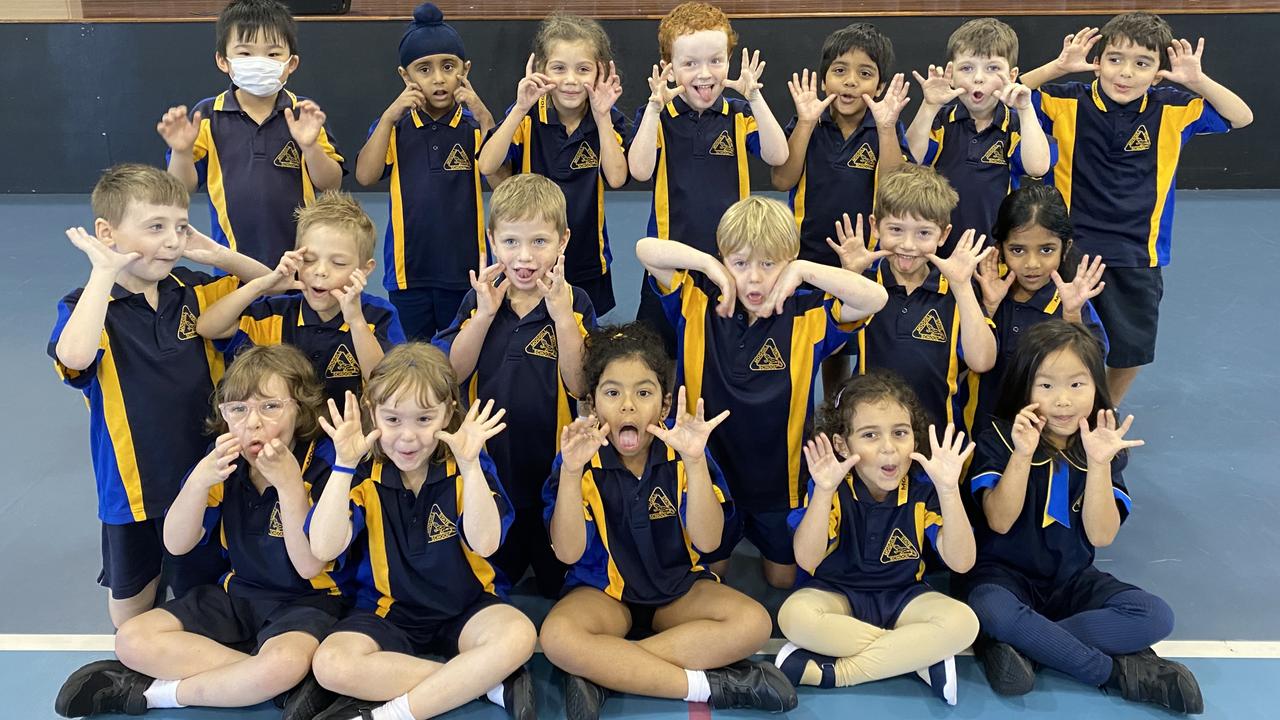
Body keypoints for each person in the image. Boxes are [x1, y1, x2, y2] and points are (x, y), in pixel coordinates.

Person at [55, 345, 345, 719]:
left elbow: (309, 567)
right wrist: (198, 482)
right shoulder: (225, 462)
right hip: (237, 592)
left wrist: (289, 487)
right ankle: (266, 681)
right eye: (237, 410)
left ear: (300, 409)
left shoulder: (322, 463)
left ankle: (154, 693)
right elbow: (176, 544)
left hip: (308, 602)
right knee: (131, 639)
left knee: (282, 663)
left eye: (270, 407)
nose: (252, 423)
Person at [539, 323, 796, 720]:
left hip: (678, 590)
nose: (628, 406)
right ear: (591, 405)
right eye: (612, 393)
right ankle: (712, 686)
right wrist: (571, 474)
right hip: (603, 593)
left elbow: (709, 543)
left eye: (643, 393)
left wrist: (695, 462)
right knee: (557, 638)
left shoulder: (684, 453)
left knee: (754, 623)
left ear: (663, 407)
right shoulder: (578, 458)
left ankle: (605, 672)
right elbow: (568, 551)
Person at [49, 163, 270, 626]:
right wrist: (102, 275)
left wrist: (219, 255)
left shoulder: (195, 289)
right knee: (132, 605)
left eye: (180, 227)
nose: (172, 240)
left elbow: (273, 282)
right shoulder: (86, 307)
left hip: (206, 473)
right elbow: (75, 357)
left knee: (203, 591)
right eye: (155, 227)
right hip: (133, 487)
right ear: (107, 232)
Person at [637, 195, 887, 589]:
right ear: (723, 260)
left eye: (768, 264)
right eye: (740, 264)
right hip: (709, 473)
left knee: (782, 580)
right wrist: (708, 265)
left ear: (787, 263)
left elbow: (875, 298)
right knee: (709, 576)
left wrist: (804, 270)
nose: (753, 279)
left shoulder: (807, 315)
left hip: (779, 481)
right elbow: (645, 249)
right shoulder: (696, 299)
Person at [964, 320, 1202, 713]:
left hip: (1071, 580)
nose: (1062, 401)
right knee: (993, 610)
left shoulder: (1102, 447)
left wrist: (1098, 465)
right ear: (1025, 387)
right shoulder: (1001, 437)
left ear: (1097, 388)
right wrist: (1021, 455)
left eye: (1077, 385)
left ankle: (1027, 649)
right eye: (1046, 385)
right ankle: (1116, 674)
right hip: (1002, 577)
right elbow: (999, 522)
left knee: (1155, 616)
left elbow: (1102, 535)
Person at [1020, 13, 1253, 403]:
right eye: (1115, 59)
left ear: (1159, 71)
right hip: (1069, 248)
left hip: (1137, 253)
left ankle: (1099, 411)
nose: (1125, 73)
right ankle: (1053, 411)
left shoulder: (1173, 108)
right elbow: (1006, 93)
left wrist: (1198, 81)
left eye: (1142, 63)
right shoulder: (1065, 100)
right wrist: (1056, 68)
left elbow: (1241, 117)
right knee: (1057, 342)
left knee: (1131, 350)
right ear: (1099, 60)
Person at [306, 344, 536, 720]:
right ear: (371, 410)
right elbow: (324, 547)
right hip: (387, 611)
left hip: (467, 606)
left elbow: (486, 542)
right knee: (331, 664)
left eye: (424, 419)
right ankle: (486, 683)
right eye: (392, 420)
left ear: (449, 412)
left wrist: (471, 466)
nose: (408, 437)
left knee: (519, 635)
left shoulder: (467, 465)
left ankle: (389, 714)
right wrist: (344, 465)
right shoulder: (360, 470)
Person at [433, 174, 596, 598]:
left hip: (552, 474)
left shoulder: (575, 302)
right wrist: (483, 315)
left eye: (539, 242)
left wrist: (562, 318)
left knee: (559, 584)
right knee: (487, 582)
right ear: (491, 239)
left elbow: (580, 386)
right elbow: (452, 373)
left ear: (563, 241)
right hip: (489, 475)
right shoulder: (478, 300)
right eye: (510, 242)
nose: (525, 257)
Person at [776, 371, 979, 706]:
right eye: (870, 435)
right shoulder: (831, 485)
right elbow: (807, 559)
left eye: (900, 433)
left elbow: (962, 562)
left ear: (914, 438)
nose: (889, 448)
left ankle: (837, 674)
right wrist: (824, 491)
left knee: (964, 622)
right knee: (794, 617)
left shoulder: (923, 488)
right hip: (836, 595)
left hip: (904, 597)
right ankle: (917, 657)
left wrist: (948, 490)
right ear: (843, 444)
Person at [627, 1, 789, 353]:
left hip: (733, 263)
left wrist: (756, 98)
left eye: (715, 61)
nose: (704, 73)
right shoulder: (660, 114)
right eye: (690, 64)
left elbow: (778, 155)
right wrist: (653, 109)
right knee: (661, 355)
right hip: (669, 263)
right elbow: (639, 170)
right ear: (669, 68)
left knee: (721, 353)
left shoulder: (738, 113)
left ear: (729, 61)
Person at [770, 22, 910, 392]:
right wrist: (805, 121)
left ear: (880, 86)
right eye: (840, 71)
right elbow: (782, 180)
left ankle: (841, 406)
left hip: (866, 259)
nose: (850, 82)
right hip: (807, 254)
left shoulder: (885, 128)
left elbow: (894, 193)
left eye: (865, 74)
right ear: (823, 79)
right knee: (813, 342)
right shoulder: (809, 123)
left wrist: (885, 128)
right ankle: (813, 407)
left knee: (859, 340)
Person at [156, 0, 345, 267]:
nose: (259, 63)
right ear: (223, 61)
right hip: (231, 262)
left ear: (291, 63)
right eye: (245, 54)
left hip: (302, 262)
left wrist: (311, 146)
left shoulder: (304, 114)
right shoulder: (207, 115)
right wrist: (182, 151)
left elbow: (331, 184)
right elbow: (180, 189)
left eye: (273, 54)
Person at [477, 13, 628, 316]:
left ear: (600, 73)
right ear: (541, 69)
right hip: (528, 256)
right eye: (559, 68)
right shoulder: (528, 115)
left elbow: (616, 178)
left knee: (582, 340)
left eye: (583, 69)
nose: (571, 80)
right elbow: (487, 164)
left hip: (586, 254)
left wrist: (601, 117)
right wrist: (520, 107)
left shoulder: (607, 118)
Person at [832, 164, 998, 435]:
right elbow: (831, 348)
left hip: (938, 446)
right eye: (896, 230)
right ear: (875, 226)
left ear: (943, 234)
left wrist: (962, 287)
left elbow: (982, 361)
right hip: (873, 443)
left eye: (923, 233)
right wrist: (850, 277)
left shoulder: (955, 291)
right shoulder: (866, 286)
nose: (908, 245)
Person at [196, 191, 405, 404]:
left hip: (349, 435)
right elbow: (208, 327)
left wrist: (356, 322)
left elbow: (387, 385)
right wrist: (263, 284)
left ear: (365, 269)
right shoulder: (276, 313)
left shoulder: (379, 315)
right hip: (287, 436)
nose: (321, 271)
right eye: (309, 259)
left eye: (338, 263)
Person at [906, 17, 1053, 257]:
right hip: (937, 252)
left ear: (1013, 75)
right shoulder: (940, 119)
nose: (978, 78)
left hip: (994, 254)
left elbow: (1037, 167)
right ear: (951, 74)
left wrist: (1026, 110)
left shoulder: (1016, 124)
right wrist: (929, 105)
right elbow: (910, 159)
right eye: (967, 68)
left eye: (992, 68)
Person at [967, 184, 1107, 434]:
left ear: (1066, 247)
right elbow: (965, 359)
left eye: (1046, 250)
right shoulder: (986, 293)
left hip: (1050, 435)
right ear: (1000, 249)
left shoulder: (1071, 302)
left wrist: (1072, 315)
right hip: (988, 432)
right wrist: (987, 307)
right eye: (1018, 250)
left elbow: (1092, 369)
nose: (1032, 264)